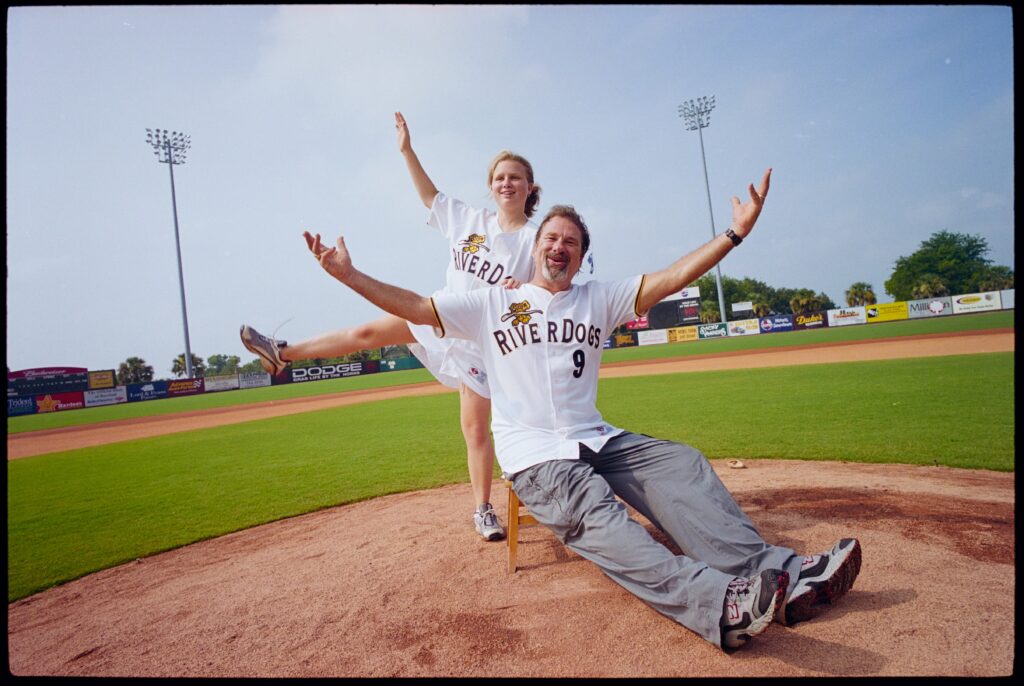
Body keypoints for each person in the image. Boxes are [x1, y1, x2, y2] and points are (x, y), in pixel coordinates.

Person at [301, 167, 862, 651]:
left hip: (597, 437)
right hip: (536, 455)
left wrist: (734, 235)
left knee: (682, 464)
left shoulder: (599, 298)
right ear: (535, 248)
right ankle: (721, 606)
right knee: (601, 519)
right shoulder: (493, 303)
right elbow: (417, 307)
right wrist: (349, 275)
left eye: (571, 241)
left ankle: (784, 575)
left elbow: (671, 277)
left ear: (581, 255)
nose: (559, 246)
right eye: (551, 237)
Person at [241, 112, 542, 542]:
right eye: (499, 178)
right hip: (438, 315)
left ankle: (489, 507)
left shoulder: (536, 239)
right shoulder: (468, 219)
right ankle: (281, 352)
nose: (506, 183)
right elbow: (429, 195)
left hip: (488, 343)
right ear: (491, 186)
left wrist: (526, 287)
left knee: (480, 429)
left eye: (515, 177)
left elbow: (548, 286)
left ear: (530, 187)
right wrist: (406, 150)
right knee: (366, 334)